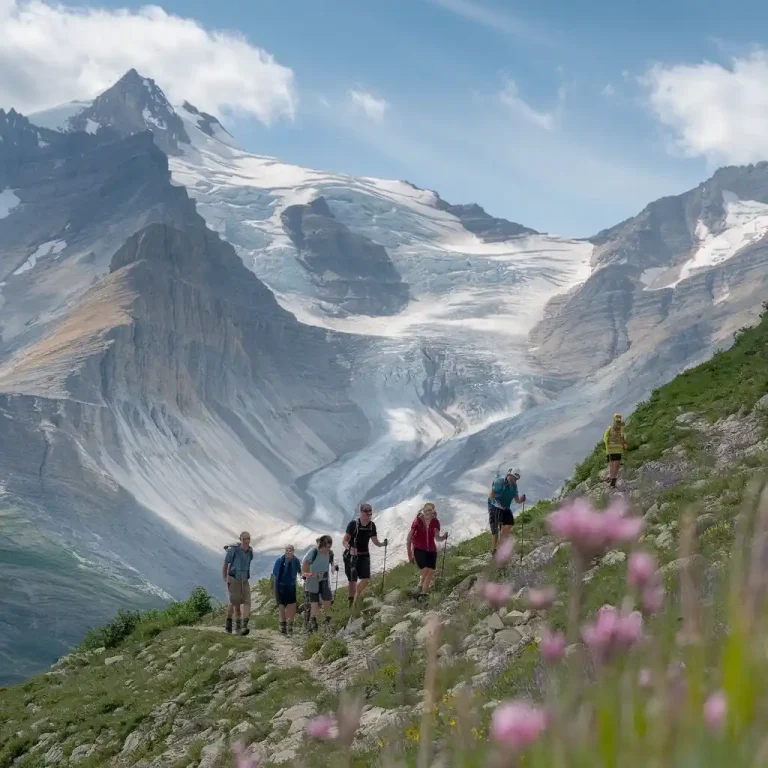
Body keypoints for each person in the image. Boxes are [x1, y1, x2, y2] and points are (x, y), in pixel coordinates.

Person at [343, 503, 388, 610]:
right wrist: (350, 548)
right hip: (351, 556)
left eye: (370, 513)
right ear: (361, 513)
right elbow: (344, 541)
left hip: (364, 555)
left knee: (366, 579)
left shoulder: (371, 526)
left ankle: (356, 597)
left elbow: (375, 541)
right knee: (352, 580)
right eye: (366, 513)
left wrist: (382, 544)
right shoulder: (353, 524)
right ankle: (352, 603)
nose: (368, 515)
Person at [406, 502, 448, 599]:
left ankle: (423, 594)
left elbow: (437, 538)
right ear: (423, 511)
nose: (429, 512)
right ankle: (420, 585)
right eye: (427, 510)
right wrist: (410, 555)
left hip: (431, 549)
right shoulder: (417, 521)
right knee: (426, 568)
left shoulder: (435, 522)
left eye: (431, 510)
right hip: (419, 548)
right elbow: (409, 538)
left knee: (431, 570)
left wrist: (444, 537)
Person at [302, 535, 337, 633]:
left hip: (324, 579)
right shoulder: (313, 552)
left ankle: (327, 620)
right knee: (314, 603)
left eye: (329, 546)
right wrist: (310, 575)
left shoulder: (330, 553)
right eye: (326, 546)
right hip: (313, 580)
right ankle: (313, 623)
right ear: (321, 545)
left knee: (327, 599)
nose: (327, 549)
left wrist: (334, 567)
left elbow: (332, 562)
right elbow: (304, 567)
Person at [488, 469, 526, 557]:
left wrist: (522, 499)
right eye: (513, 478)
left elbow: (517, 500)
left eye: (516, 479)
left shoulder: (514, 487)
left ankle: (502, 545)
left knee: (509, 523)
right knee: (496, 528)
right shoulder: (500, 482)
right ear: (509, 475)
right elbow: (491, 495)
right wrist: (496, 504)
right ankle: (494, 550)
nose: (514, 480)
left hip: (505, 507)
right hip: (495, 505)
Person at [223, 531, 254, 635]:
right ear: (240, 540)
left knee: (247, 601)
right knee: (235, 603)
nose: (246, 541)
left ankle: (243, 626)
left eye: (248, 538)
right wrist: (225, 578)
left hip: (244, 580)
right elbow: (226, 564)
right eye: (244, 539)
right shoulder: (234, 550)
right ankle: (229, 622)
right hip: (234, 579)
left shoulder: (250, 551)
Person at [271, 544, 302, 635]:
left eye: (290, 550)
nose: (289, 552)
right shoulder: (279, 560)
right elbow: (275, 574)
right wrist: (273, 587)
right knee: (281, 605)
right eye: (287, 550)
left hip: (291, 586)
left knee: (292, 605)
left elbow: (299, 571)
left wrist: (304, 576)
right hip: (280, 586)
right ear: (285, 551)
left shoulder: (295, 561)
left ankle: (290, 625)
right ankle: (282, 625)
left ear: (293, 552)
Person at [604, 414, 627, 489]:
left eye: (618, 420)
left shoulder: (621, 429)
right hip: (610, 450)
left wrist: (624, 444)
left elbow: (622, 438)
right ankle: (611, 479)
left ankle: (613, 480)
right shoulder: (610, 429)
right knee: (612, 465)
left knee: (616, 464)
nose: (618, 422)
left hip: (617, 449)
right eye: (617, 420)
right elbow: (606, 438)